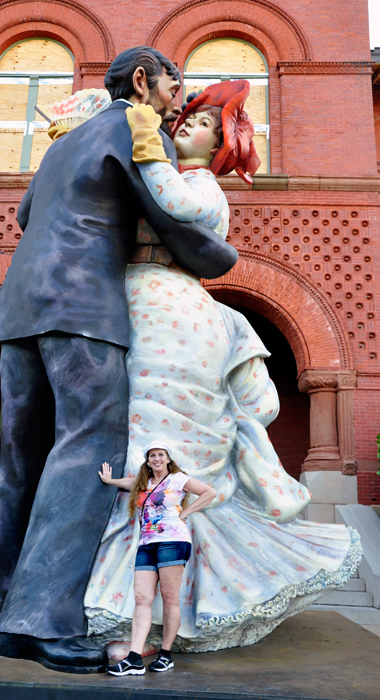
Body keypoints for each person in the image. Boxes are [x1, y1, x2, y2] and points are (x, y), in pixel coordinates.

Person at [83, 82, 362, 652]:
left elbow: (174, 205)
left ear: (222, 146)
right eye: (188, 116)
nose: (190, 124)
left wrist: (147, 144)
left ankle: (154, 619)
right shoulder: (163, 170)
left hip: (171, 314)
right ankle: (136, 613)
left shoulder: (202, 186)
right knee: (131, 438)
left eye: (207, 123)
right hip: (134, 302)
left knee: (153, 444)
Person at [0, 47, 238, 674]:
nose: (179, 96)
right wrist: (218, 258)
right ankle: (44, 623)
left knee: (24, 453)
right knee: (88, 447)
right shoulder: (136, 124)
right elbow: (168, 211)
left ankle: (12, 611)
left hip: (19, 303)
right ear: (142, 81)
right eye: (173, 82)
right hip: (81, 303)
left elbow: (23, 214)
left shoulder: (61, 143)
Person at [98, 441, 216, 675]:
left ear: (168, 459)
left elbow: (209, 492)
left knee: (170, 597)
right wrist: (109, 481)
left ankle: (166, 654)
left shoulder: (178, 479)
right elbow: (126, 483)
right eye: (152, 455)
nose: (157, 459)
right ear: (148, 460)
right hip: (146, 545)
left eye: (161, 455)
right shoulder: (143, 483)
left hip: (173, 542)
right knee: (142, 598)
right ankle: (133, 659)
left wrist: (187, 513)